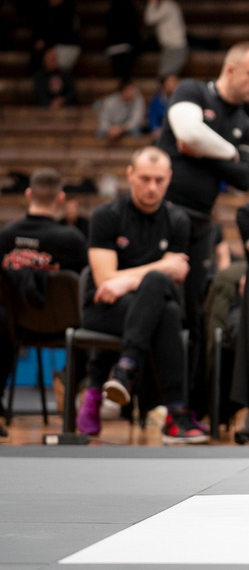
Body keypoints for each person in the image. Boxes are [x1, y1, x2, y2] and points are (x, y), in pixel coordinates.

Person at [155, 41, 249, 413]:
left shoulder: (246, 125)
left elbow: (245, 176)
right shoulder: (192, 90)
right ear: (230, 69)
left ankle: (190, 407)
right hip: (163, 217)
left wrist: (206, 146)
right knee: (157, 304)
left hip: (201, 225)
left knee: (195, 316)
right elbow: (187, 130)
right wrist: (227, 152)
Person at [75, 147, 208, 443]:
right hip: (105, 307)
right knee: (161, 295)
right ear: (130, 175)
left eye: (159, 180)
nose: (152, 187)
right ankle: (176, 414)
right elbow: (103, 280)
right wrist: (157, 269)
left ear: (169, 178)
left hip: (148, 307)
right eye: (145, 178)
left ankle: (122, 371)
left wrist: (126, 281)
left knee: (164, 302)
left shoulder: (177, 220)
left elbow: (178, 276)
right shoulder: (106, 215)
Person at [0, 168, 88, 393]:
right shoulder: (72, 240)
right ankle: (71, 379)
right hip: (65, 327)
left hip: (14, 326)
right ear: (61, 198)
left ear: (28, 194)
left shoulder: (5, 236)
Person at [144, 0, 188, 78]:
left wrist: (152, 3)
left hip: (176, 47)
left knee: (167, 76)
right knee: (166, 76)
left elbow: (149, 19)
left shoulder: (167, 5)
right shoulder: (165, 5)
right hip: (171, 47)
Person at [104, 0, 141, 82]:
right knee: (123, 76)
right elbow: (134, 31)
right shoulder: (130, 11)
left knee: (119, 76)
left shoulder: (111, 12)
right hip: (125, 48)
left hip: (112, 48)